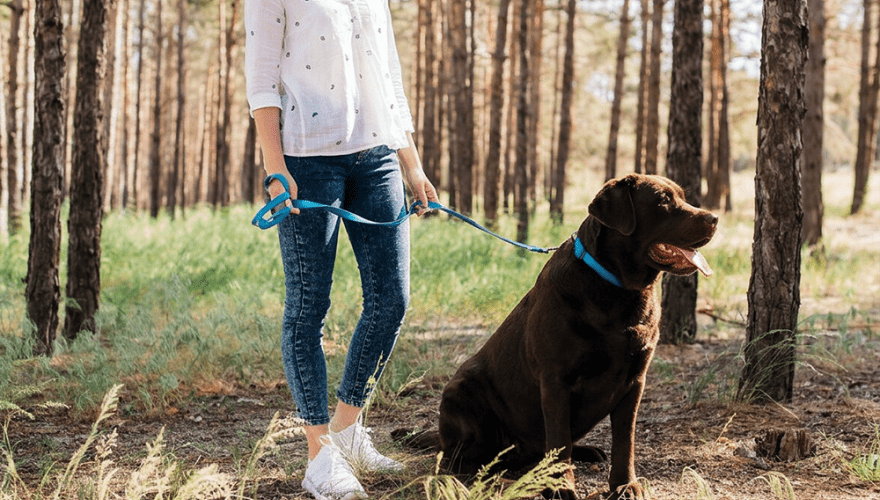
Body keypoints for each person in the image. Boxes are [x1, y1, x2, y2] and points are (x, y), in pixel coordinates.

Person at [244, 0, 438, 498]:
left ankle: (348, 430)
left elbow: (388, 74)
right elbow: (262, 80)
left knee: (391, 298)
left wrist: (411, 163)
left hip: (377, 156)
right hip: (307, 159)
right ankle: (319, 455)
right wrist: (275, 165)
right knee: (309, 307)